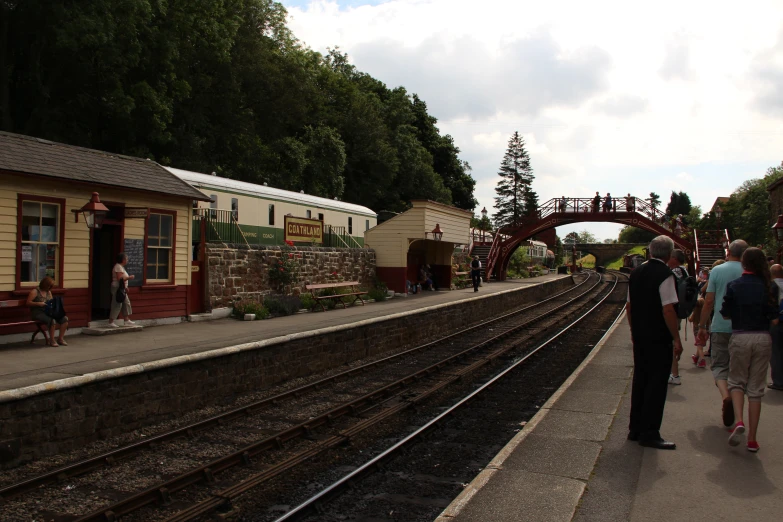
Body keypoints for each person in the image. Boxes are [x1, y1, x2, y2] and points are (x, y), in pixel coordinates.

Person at [626, 235, 683, 450]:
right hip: (658, 336)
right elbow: (668, 309)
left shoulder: (636, 273)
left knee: (640, 379)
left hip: (640, 336)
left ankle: (635, 428)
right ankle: (650, 432)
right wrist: (676, 338)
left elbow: (629, 307)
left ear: (650, 251)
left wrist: (633, 331)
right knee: (656, 384)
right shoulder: (665, 275)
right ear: (669, 254)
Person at [720, 248, 778, 452]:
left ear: (744, 264)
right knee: (756, 389)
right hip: (762, 337)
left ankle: (739, 421)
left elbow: (725, 314)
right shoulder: (769, 286)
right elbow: (775, 317)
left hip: (740, 336)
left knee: (736, 382)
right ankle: (752, 439)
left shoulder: (734, 286)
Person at [696, 240, 748, 428]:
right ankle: (738, 409)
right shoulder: (749, 271)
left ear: (729, 252)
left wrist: (702, 325)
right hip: (744, 328)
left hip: (720, 325)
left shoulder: (717, 271)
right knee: (739, 370)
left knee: (719, 366)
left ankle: (726, 396)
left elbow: (708, 301)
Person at [667, 249, 689, 385]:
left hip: (673, 311)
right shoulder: (684, 271)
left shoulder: (674, 272)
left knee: (671, 341)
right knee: (674, 339)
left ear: (674, 258)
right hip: (680, 310)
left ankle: (674, 375)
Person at [26, 276, 69, 347]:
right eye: (48, 286)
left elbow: (51, 301)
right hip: (38, 312)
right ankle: (52, 340)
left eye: (51, 286)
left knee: (65, 319)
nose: (49, 287)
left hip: (48, 311)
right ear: (44, 284)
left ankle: (60, 339)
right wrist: (38, 304)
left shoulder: (48, 292)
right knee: (52, 321)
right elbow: (28, 303)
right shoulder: (35, 291)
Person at [109, 252, 136, 327]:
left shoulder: (121, 267)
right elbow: (119, 279)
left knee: (126, 303)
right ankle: (111, 321)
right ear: (123, 260)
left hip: (122, 288)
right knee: (117, 303)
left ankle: (126, 319)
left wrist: (125, 286)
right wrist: (129, 277)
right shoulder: (118, 267)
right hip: (117, 288)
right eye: (126, 259)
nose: (127, 260)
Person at [769, 264, 783, 391]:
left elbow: (770, 304)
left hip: (776, 322)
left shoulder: (772, 286)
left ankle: (778, 381)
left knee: (776, 352)